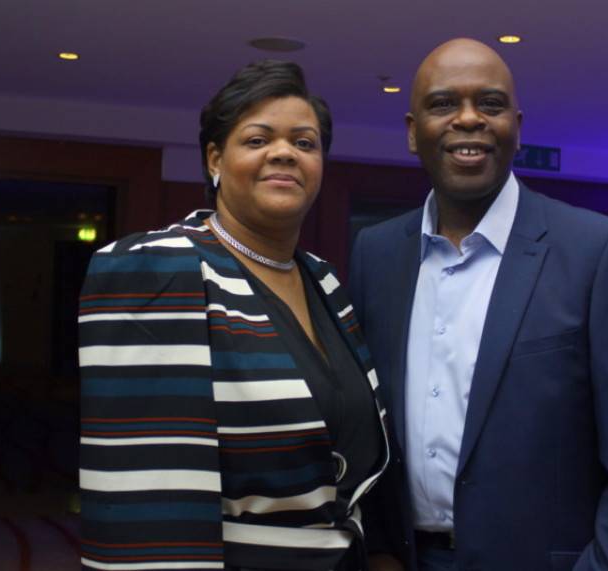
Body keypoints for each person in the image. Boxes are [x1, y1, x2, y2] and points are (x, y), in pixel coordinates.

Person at [350, 38, 608, 571]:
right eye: (443, 103)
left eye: (491, 103)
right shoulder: (376, 254)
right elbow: (370, 426)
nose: (468, 118)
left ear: (517, 128)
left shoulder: (600, 252)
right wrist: (381, 549)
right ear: (412, 132)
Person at [78, 60, 389, 571]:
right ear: (215, 159)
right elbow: (144, 492)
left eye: (305, 143)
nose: (284, 153)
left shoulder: (324, 281)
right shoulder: (158, 266)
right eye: (258, 139)